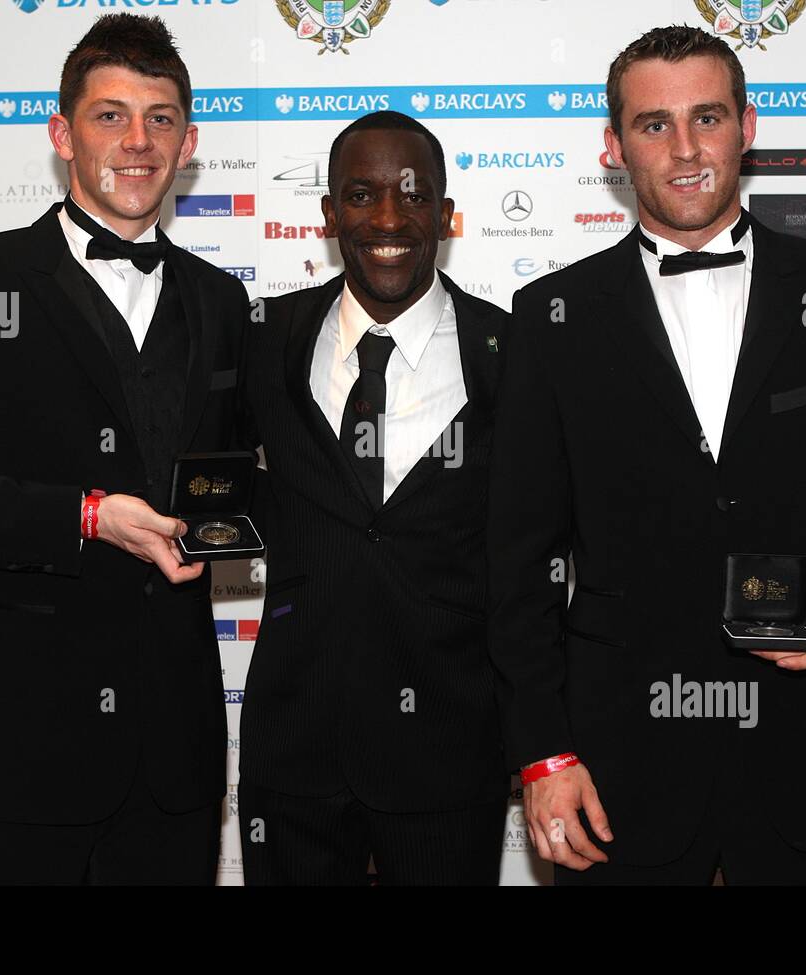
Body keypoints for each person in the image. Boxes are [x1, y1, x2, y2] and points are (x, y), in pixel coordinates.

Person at [487, 26, 806, 885]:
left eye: (707, 118)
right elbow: (519, 563)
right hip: (620, 767)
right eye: (654, 125)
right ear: (614, 148)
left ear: (747, 126)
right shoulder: (551, 316)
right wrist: (543, 755)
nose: (686, 149)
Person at [0, 13, 249, 884]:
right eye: (110, 116)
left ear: (189, 144)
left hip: (173, 762)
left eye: (161, 118)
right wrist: (84, 515)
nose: (138, 141)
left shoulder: (223, 303)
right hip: (10, 750)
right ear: (62, 134)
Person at [236, 112, 510, 885]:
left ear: (446, 215)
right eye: (361, 195)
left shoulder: (515, 357)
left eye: (413, 196)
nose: (388, 219)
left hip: (450, 757)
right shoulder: (261, 337)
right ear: (327, 216)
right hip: (293, 750)